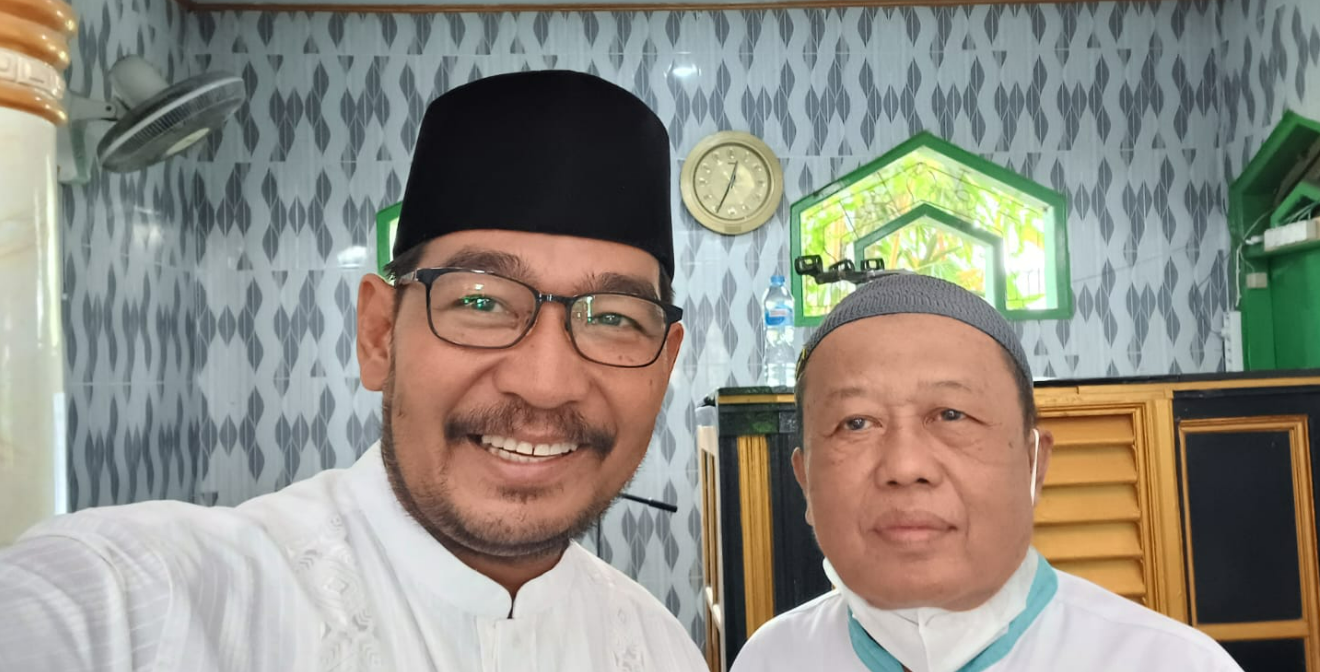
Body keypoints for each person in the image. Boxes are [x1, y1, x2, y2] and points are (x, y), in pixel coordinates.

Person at [0, 70, 706, 672]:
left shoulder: (659, 647)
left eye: (615, 318)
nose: (546, 384)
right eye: (481, 302)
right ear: (379, 335)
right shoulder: (142, 604)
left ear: (665, 363)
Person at [731, 273, 1242, 672]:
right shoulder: (769, 661)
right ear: (805, 481)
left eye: (952, 415)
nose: (905, 467)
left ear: (1033, 464)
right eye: (856, 423)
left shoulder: (1172, 663)